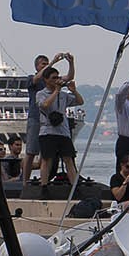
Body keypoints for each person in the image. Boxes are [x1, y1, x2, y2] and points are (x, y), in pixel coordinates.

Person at [36, 59, 82, 186]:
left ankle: (74, 187)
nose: (57, 80)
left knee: (69, 159)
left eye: (57, 77)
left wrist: (73, 90)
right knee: (47, 160)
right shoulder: (41, 94)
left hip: (63, 132)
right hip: (47, 131)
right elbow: (44, 105)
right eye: (53, 78)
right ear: (46, 80)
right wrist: (56, 91)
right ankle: (43, 185)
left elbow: (80, 101)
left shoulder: (63, 95)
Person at [22, 53, 49, 186]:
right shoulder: (32, 78)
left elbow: (68, 78)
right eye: (44, 64)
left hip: (47, 120)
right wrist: (53, 62)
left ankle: (43, 181)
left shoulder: (49, 80)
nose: (47, 65)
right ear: (37, 66)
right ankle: (25, 182)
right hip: (35, 117)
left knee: (45, 154)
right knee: (31, 151)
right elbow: (35, 79)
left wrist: (71, 63)